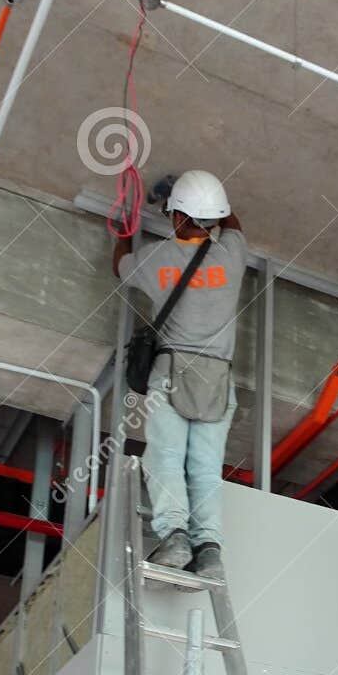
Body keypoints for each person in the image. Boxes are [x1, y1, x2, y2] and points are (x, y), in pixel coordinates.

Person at [113, 168, 247, 580]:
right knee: (205, 467)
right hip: (218, 383)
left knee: (166, 458)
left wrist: (123, 229)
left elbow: (120, 266)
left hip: (171, 374)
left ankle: (174, 537)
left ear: (175, 216)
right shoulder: (233, 255)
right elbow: (233, 223)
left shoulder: (158, 259)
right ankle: (209, 550)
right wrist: (203, 205)